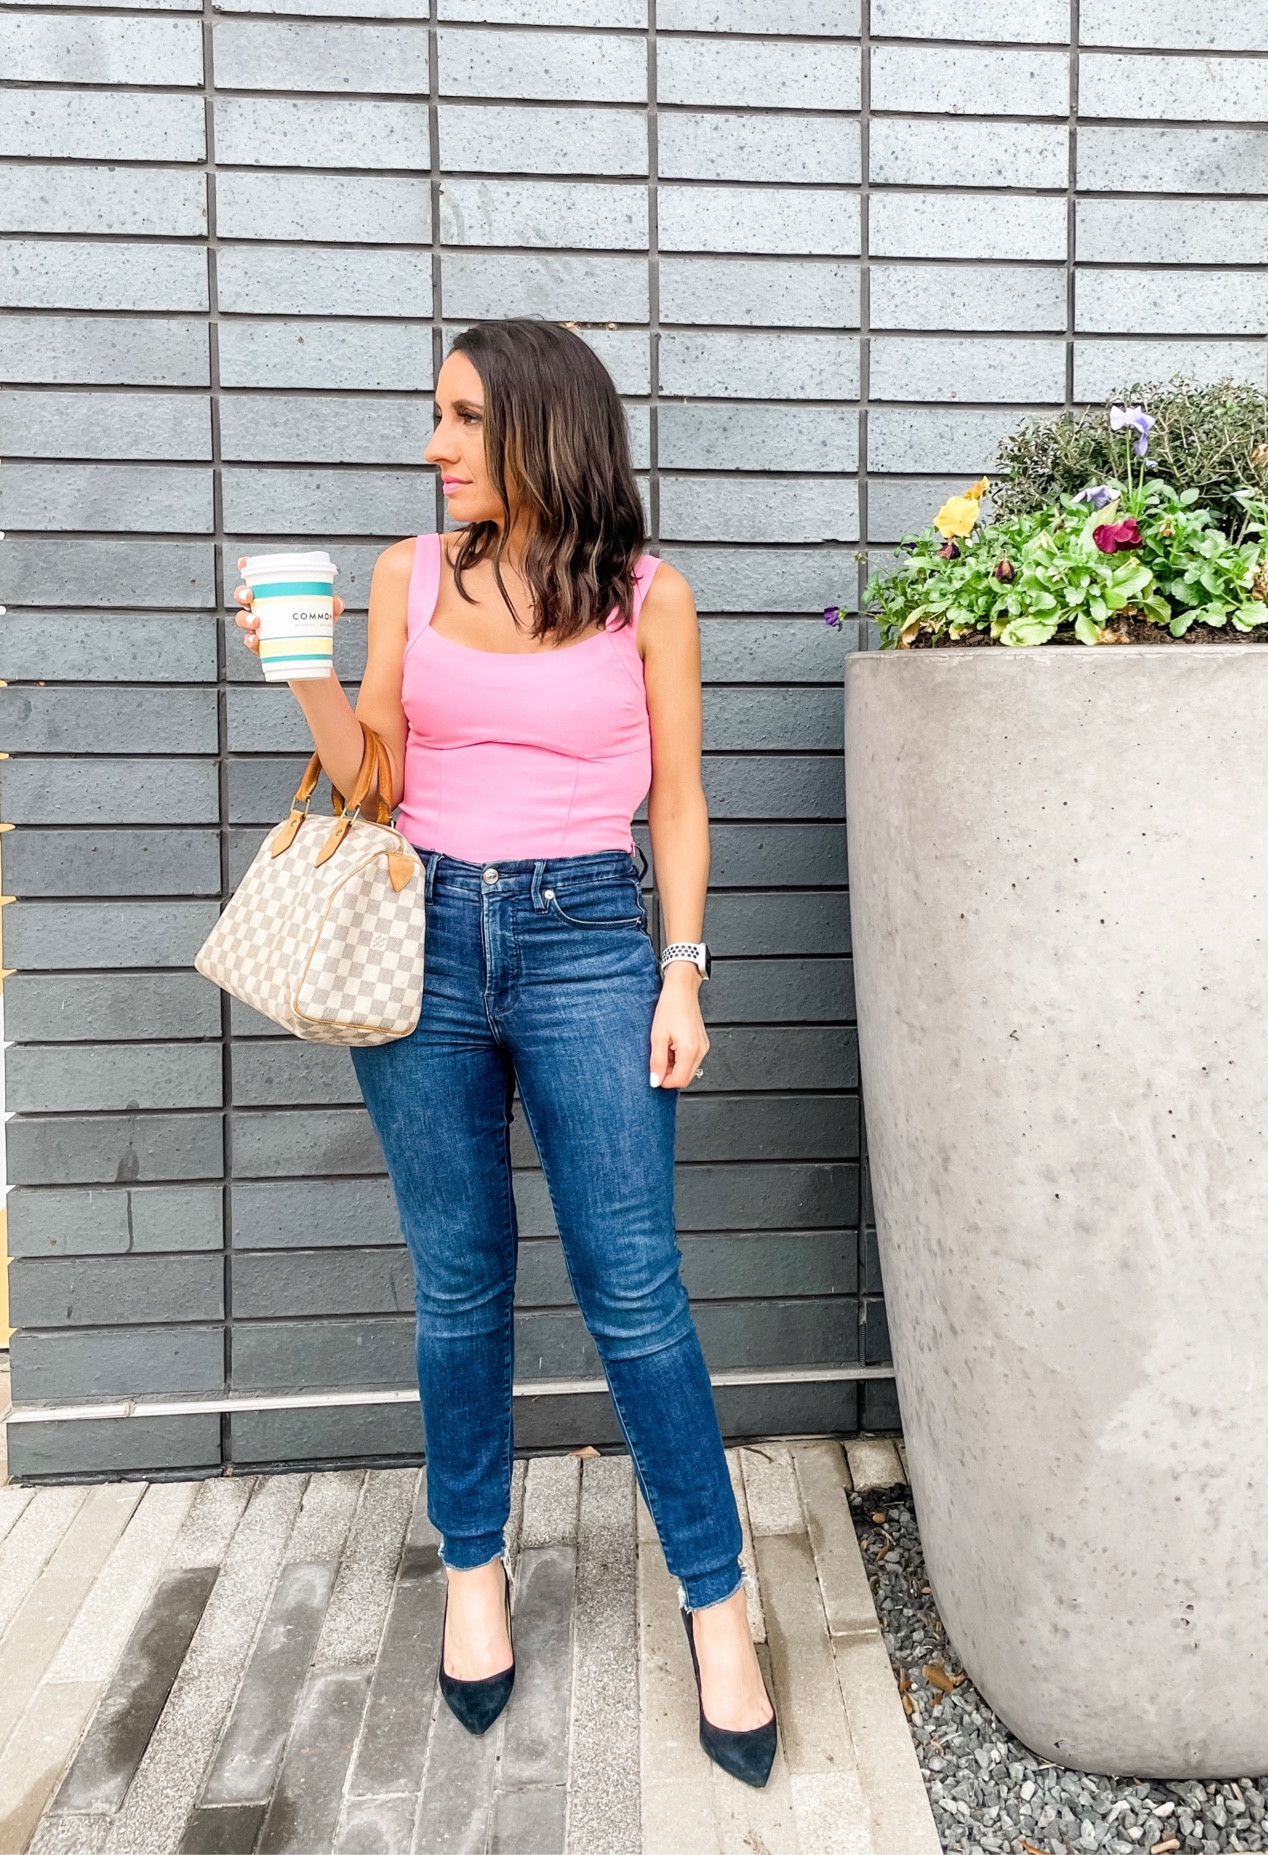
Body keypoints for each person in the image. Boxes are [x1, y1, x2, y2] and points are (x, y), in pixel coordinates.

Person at [234, 319, 776, 1787]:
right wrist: (302, 677)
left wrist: (684, 972)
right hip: (423, 933)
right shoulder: (412, 576)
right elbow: (376, 778)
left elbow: (677, 802)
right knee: (461, 1279)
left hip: (594, 938)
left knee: (636, 1288)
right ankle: (474, 1573)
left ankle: (717, 1604)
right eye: (436, 419)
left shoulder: (651, 600)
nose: (435, 446)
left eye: (462, 418)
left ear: (542, 424)